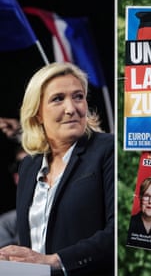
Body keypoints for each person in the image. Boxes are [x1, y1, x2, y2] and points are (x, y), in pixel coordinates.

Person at [0, 62, 114, 275]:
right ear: (38, 114)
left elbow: (119, 230)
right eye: (58, 99)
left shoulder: (108, 150)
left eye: (78, 97)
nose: (71, 108)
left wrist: (55, 261)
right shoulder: (29, 166)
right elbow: (32, 251)